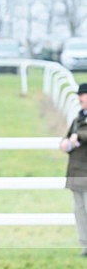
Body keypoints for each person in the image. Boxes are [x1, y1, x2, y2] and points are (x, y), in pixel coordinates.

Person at [60, 82, 87, 256]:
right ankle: (85, 245)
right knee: (79, 209)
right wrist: (65, 142)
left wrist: (79, 137)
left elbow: (80, 136)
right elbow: (68, 137)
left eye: (82, 95)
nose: (79, 99)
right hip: (77, 171)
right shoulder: (78, 119)